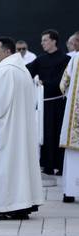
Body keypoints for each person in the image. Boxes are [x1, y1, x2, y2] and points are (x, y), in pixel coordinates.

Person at [0, 37, 43, 220]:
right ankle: (20, 205)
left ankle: (6, 207)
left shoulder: (6, 71)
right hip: (19, 128)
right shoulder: (21, 69)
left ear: (8, 52)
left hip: (6, 130)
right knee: (18, 167)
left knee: (5, 167)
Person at [27, 29, 71, 175]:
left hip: (59, 103)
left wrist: (43, 82)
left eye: (45, 40)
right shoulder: (40, 59)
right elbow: (27, 72)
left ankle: (60, 165)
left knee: (58, 133)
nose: (42, 43)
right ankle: (48, 165)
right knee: (46, 133)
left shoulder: (66, 59)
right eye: (42, 40)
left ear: (54, 41)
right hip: (44, 103)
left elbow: (62, 81)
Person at [59, 52, 79, 203]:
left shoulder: (76, 58)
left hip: (75, 119)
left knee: (73, 155)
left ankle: (70, 191)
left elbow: (63, 84)